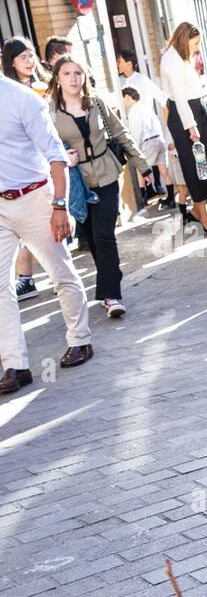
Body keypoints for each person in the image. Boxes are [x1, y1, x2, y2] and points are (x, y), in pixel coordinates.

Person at [0, 74, 93, 394]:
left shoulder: (23, 99)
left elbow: (56, 156)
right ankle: (16, 364)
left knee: (59, 272)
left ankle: (80, 340)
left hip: (36, 198)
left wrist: (59, 206)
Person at [48, 56, 147, 320]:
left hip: (106, 174)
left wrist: (143, 165)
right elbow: (44, 146)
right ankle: (109, 280)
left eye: (77, 73)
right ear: (57, 79)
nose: (73, 78)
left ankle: (111, 294)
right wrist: (61, 156)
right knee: (91, 238)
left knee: (104, 235)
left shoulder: (96, 104)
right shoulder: (50, 112)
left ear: (84, 76)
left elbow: (120, 132)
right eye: (67, 73)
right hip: (76, 182)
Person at [160, 21, 207, 234]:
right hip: (184, 115)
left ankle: (198, 210)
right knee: (196, 166)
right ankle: (204, 217)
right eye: (195, 43)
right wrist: (191, 126)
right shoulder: (171, 59)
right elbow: (178, 97)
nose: (197, 48)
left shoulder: (181, 58)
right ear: (185, 38)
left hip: (197, 108)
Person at [3, 36, 48, 302]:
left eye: (31, 55)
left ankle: (59, 278)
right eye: (23, 57)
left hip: (53, 160)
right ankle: (26, 279)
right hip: (23, 170)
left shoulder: (44, 86)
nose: (30, 61)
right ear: (11, 62)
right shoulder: (10, 92)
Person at [117, 48, 173, 208]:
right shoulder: (119, 82)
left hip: (146, 130)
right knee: (156, 165)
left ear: (129, 63)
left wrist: (169, 131)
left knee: (144, 165)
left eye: (120, 61)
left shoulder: (142, 80)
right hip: (139, 130)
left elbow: (163, 100)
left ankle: (149, 193)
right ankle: (155, 191)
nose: (117, 65)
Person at [121, 87, 171, 207]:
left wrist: (134, 150)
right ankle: (171, 199)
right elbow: (158, 123)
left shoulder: (133, 111)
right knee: (164, 171)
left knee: (141, 169)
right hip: (159, 139)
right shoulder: (145, 108)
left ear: (127, 97)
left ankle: (143, 201)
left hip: (147, 142)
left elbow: (136, 133)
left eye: (123, 99)